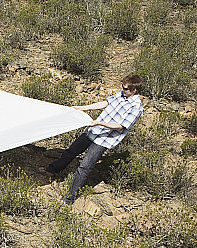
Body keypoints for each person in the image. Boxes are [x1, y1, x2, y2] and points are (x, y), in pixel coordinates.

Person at [41, 74, 144, 204]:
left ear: (134, 90)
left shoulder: (136, 107)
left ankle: (69, 198)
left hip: (104, 139)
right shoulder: (122, 94)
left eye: (125, 88)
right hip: (93, 131)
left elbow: (121, 126)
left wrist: (100, 123)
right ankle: (52, 170)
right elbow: (105, 103)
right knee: (71, 152)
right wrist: (83, 108)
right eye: (123, 87)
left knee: (84, 167)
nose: (123, 90)